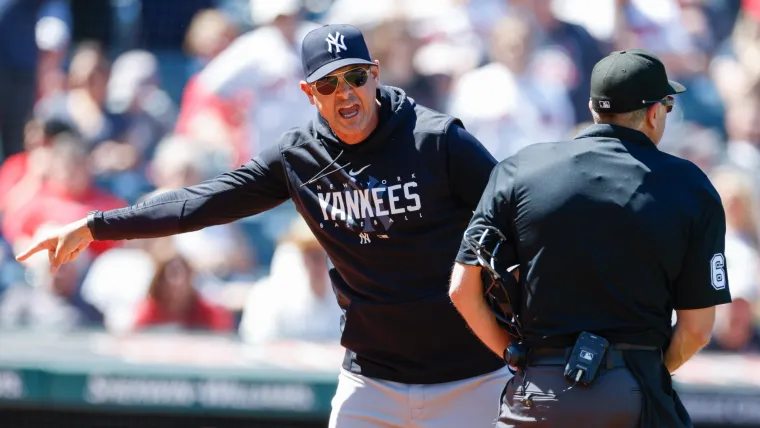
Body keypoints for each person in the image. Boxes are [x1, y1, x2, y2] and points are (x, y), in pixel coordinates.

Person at [16, 24, 509, 427]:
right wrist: (96, 225)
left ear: (375, 76)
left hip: (468, 381)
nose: (346, 93)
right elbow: (203, 202)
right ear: (308, 93)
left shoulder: (438, 141)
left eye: (355, 76)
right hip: (372, 384)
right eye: (328, 84)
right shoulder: (299, 157)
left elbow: (516, 215)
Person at [448, 48, 733, 427]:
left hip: (538, 391)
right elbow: (696, 329)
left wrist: (517, 357)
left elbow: (461, 289)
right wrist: (644, 371)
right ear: (653, 112)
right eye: (667, 104)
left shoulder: (520, 169)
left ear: (592, 107)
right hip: (633, 391)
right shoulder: (689, 185)